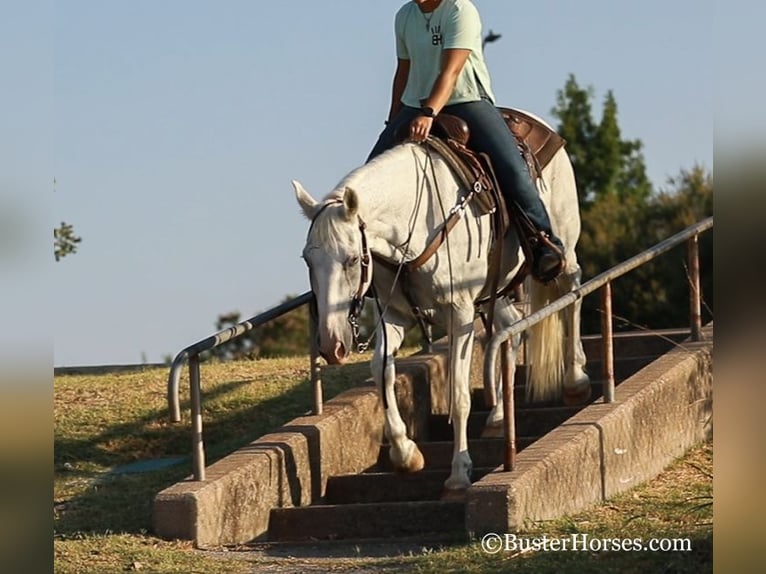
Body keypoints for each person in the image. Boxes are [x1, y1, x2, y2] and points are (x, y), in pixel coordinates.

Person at [367, 0, 565, 283]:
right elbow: (403, 71)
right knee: (371, 172)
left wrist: (429, 113)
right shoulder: (405, 15)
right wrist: (393, 119)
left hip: (465, 100)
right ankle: (365, 257)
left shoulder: (461, 10)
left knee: (511, 167)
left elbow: (451, 72)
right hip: (415, 104)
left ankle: (543, 239)